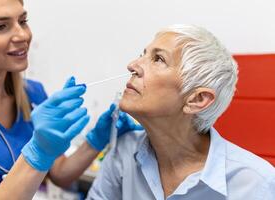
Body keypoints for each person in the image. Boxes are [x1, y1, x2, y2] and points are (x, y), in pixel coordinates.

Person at [0, 0, 142, 199]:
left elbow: (59, 173)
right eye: (0, 26)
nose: (23, 35)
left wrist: (97, 140)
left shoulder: (32, 95)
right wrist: (38, 151)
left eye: (23, 21)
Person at [86, 24, 275, 200]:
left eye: (158, 59)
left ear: (197, 99)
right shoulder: (124, 151)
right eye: (142, 54)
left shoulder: (256, 184)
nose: (132, 65)